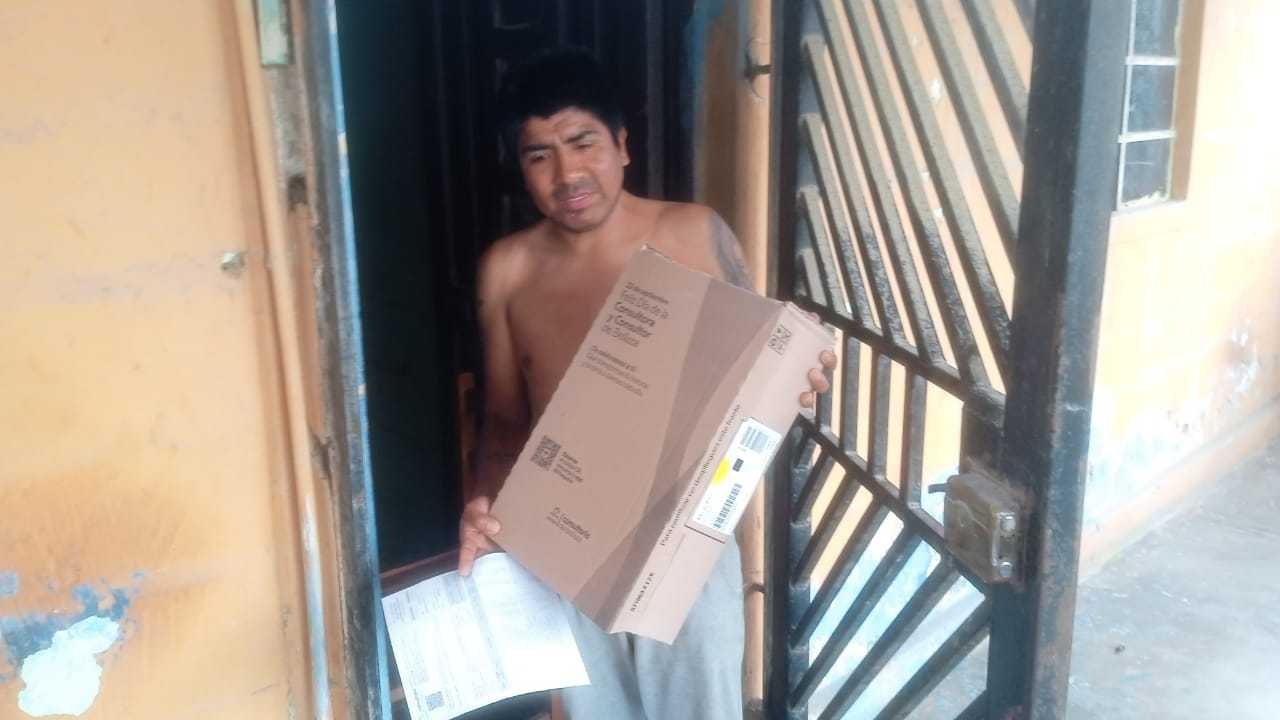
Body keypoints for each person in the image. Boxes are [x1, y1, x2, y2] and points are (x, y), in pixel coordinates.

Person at [457, 48, 835, 720]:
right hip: (561, 538)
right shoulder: (508, 270)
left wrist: (801, 379)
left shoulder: (692, 233)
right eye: (540, 155)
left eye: (583, 143)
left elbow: (765, 367)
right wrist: (483, 508)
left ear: (622, 145)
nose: (568, 174)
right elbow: (506, 424)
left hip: (684, 533)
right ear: (521, 168)